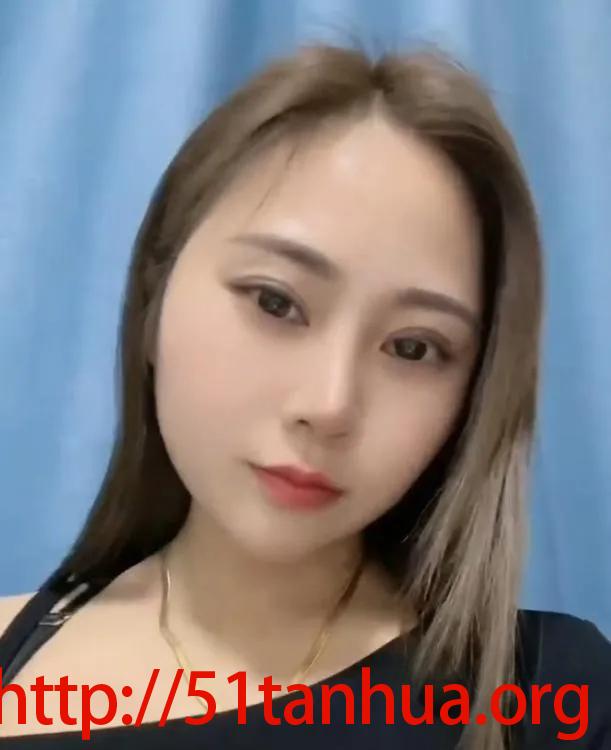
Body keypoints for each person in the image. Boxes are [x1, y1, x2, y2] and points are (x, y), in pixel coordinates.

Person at [0, 43, 609, 750]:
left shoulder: (546, 698)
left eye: (414, 348)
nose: (328, 405)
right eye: (276, 302)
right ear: (154, 297)